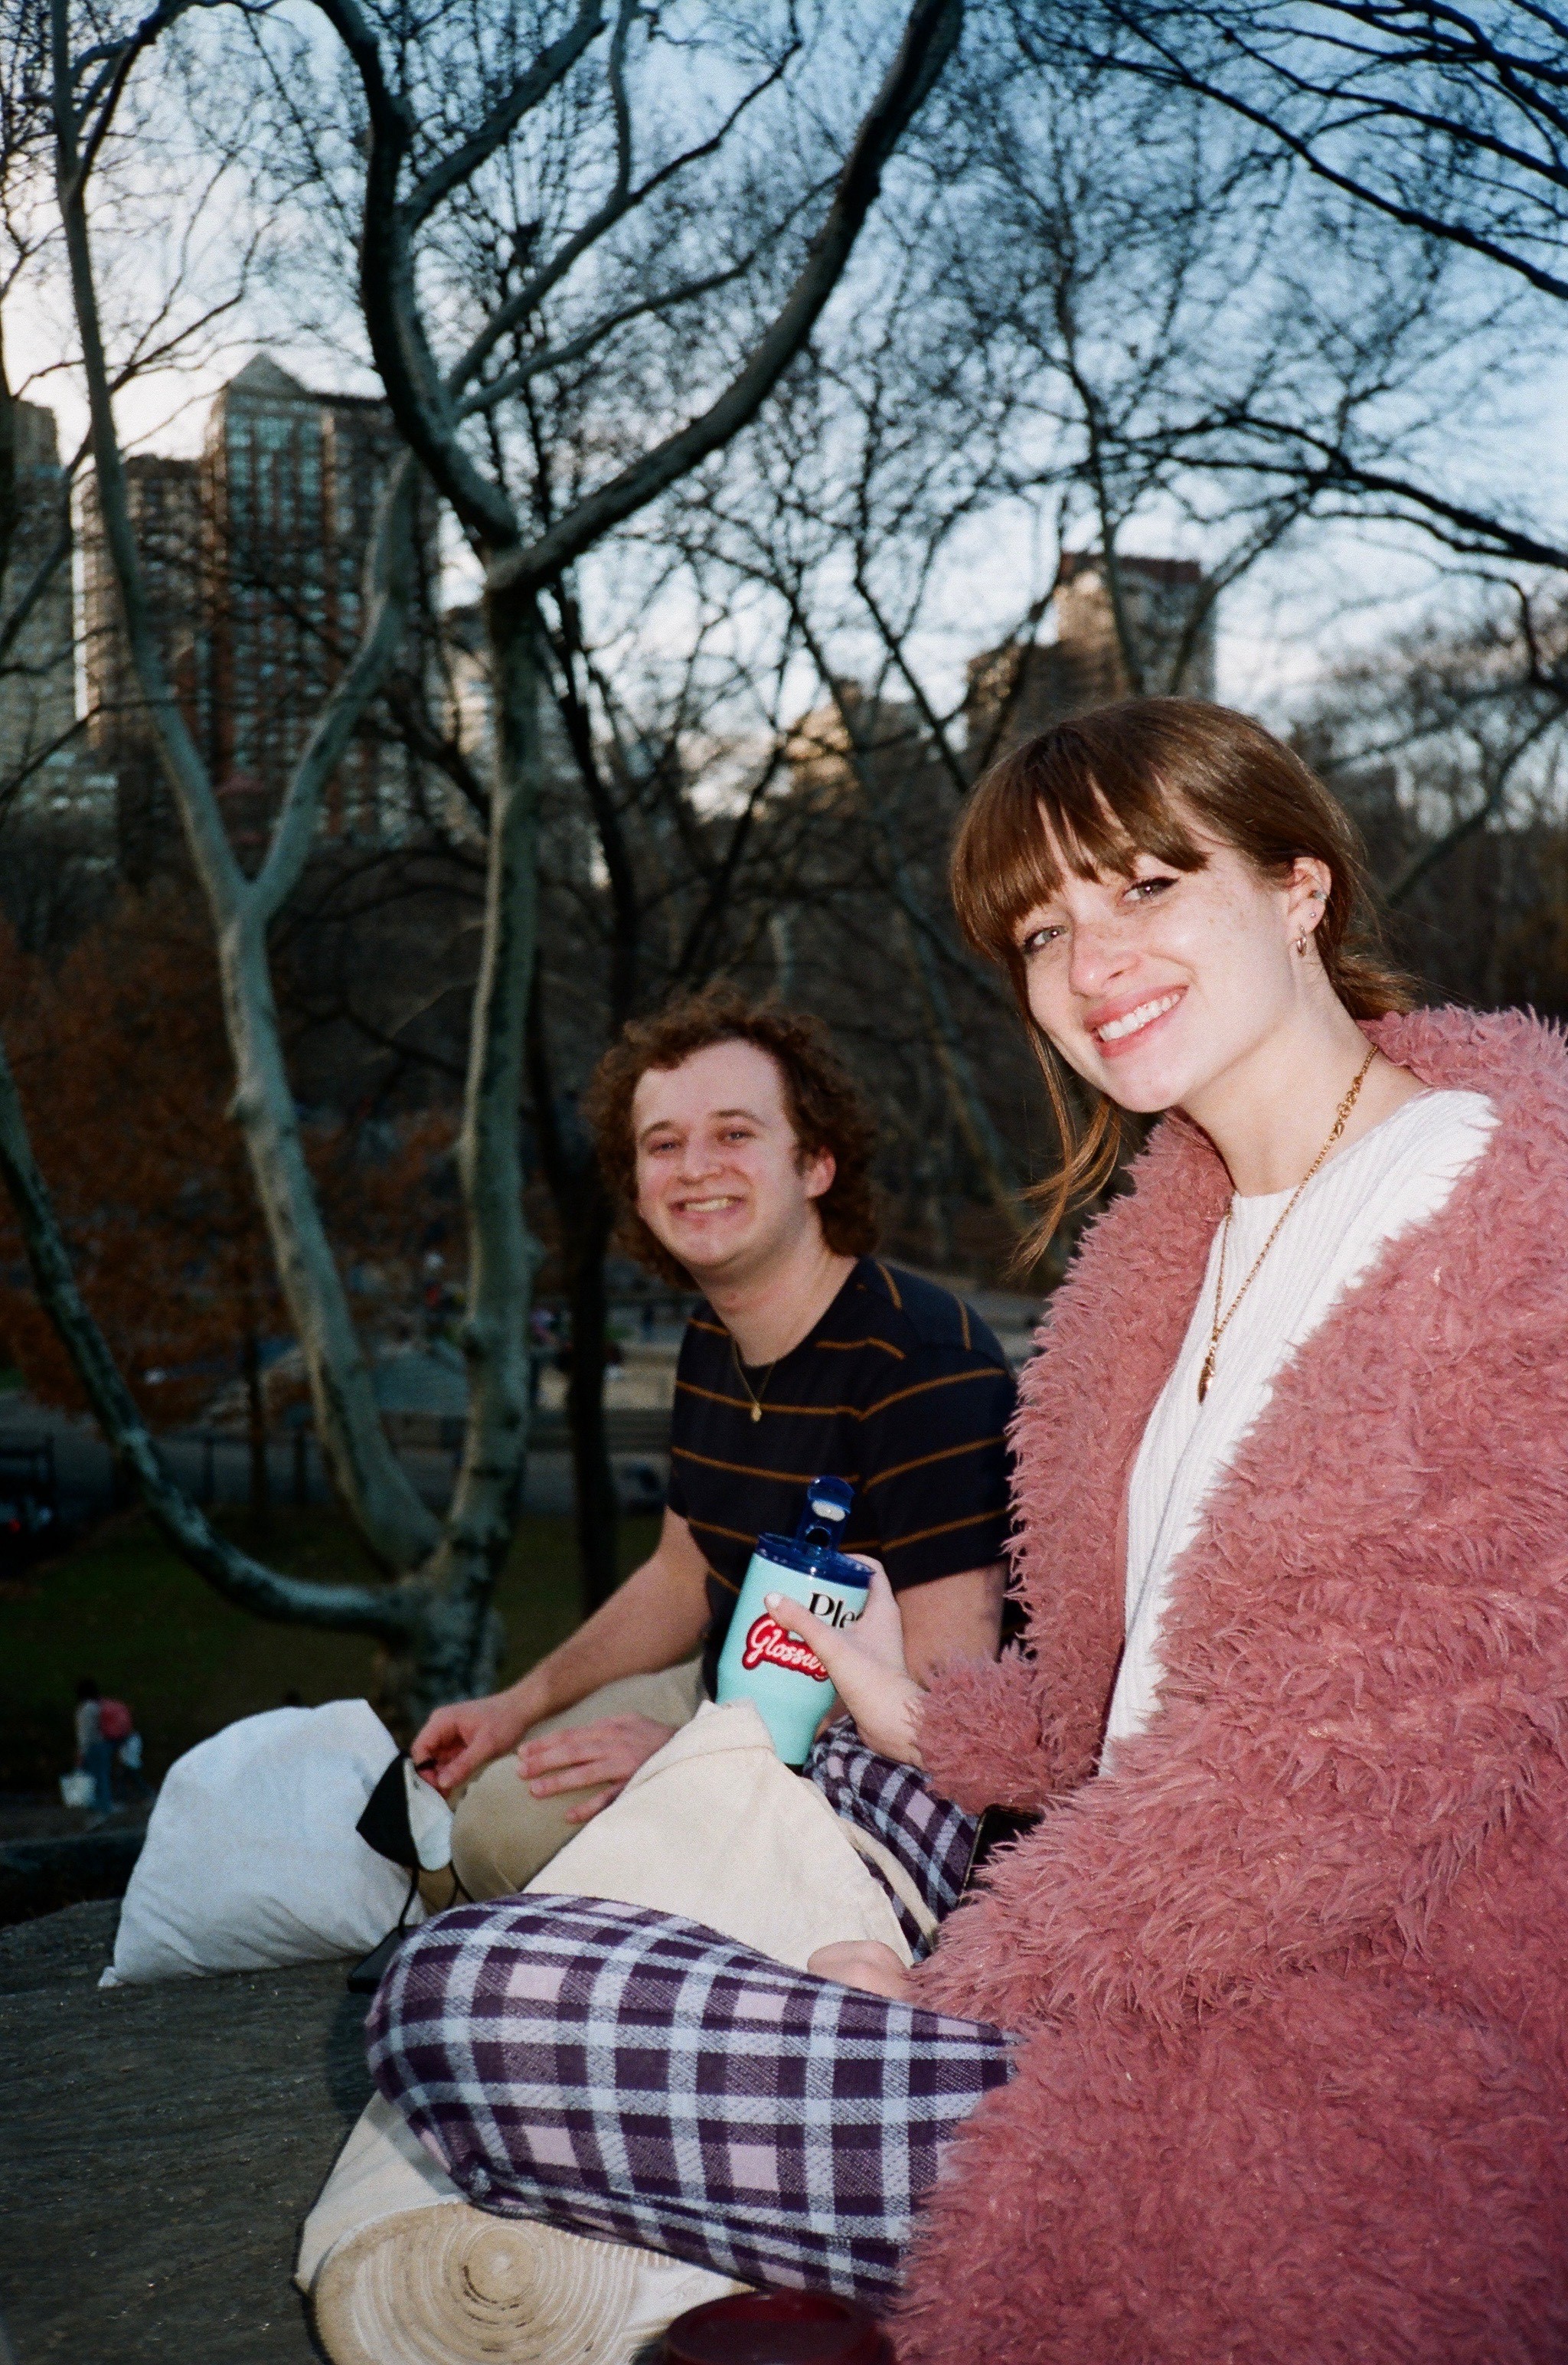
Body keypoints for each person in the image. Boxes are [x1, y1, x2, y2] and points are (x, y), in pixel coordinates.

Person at [371, 698, 1568, 2362]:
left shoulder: (1492, 1210)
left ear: (1300, 888)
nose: (1093, 960)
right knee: (629, 1880)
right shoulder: (1182, 1251)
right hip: (1149, 1936)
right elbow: (1123, 1714)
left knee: (451, 2004)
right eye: (1041, 926)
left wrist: (956, 1990)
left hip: (1339, 2062)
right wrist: (916, 1706)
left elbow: (1329, 1795)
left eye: (1147, 883)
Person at [413, 988, 1014, 1896]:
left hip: (869, 1775)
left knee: (502, 1836)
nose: (694, 1168)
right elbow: (679, 1574)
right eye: (663, 1143)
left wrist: (692, 1760)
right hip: (721, 1694)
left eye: (733, 1133)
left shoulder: (924, 1365)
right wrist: (517, 1702)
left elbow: (940, 1691)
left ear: (815, 1162)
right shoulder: (710, 1342)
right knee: (467, 1802)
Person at [73, 1677, 114, 1817]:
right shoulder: (97, 1706)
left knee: (94, 1778)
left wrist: (81, 1752)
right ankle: (104, 1805)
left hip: (92, 1748)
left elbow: (86, 1734)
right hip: (101, 1745)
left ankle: (100, 1807)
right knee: (102, 1777)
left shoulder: (86, 1709)